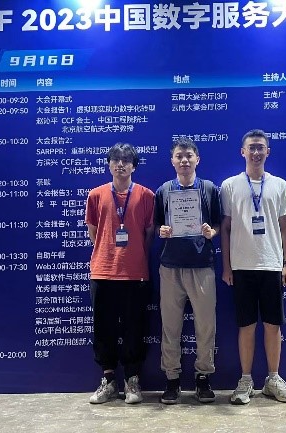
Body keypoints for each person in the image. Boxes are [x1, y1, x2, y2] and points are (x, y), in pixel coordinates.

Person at [220, 129, 286, 405]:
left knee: (273, 325)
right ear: (242, 152)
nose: (255, 152)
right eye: (251, 147)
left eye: (260, 147)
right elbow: (225, 228)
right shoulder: (229, 186)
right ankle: (245, 380)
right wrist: (227, 266)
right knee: (247, 325)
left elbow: (285, 227)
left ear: (268, 152)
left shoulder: (280, 185)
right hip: (242, 266)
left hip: (271, 265)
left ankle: (273, 378)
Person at [85, 142, 155, 404]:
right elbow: (94, 233)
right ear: (109, 164)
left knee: (135, 328)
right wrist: (109, 253)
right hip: (103, 272)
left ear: (134, 166)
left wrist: (134, 256)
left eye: (126, 160)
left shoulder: (146, 195)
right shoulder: (96, 195)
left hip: (135, 273)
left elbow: (149, 234)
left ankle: (132, 380)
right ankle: (108, 380)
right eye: (115, 160)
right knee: (103, 328)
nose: (120, 164)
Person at [154, 137, 221, 404]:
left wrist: (212, 232)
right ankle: (172, 380)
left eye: (189, 156)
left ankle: (203, 378)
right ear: (172, 161)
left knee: (206, 325)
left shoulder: (209, 189)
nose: (184, 160)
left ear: (197, 159)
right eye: (179, 156)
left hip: (202, 266)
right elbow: (157, 224)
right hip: (171, 267)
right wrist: (161, 230)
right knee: (170, 327)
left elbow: (218, 222)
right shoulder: (164, 190)